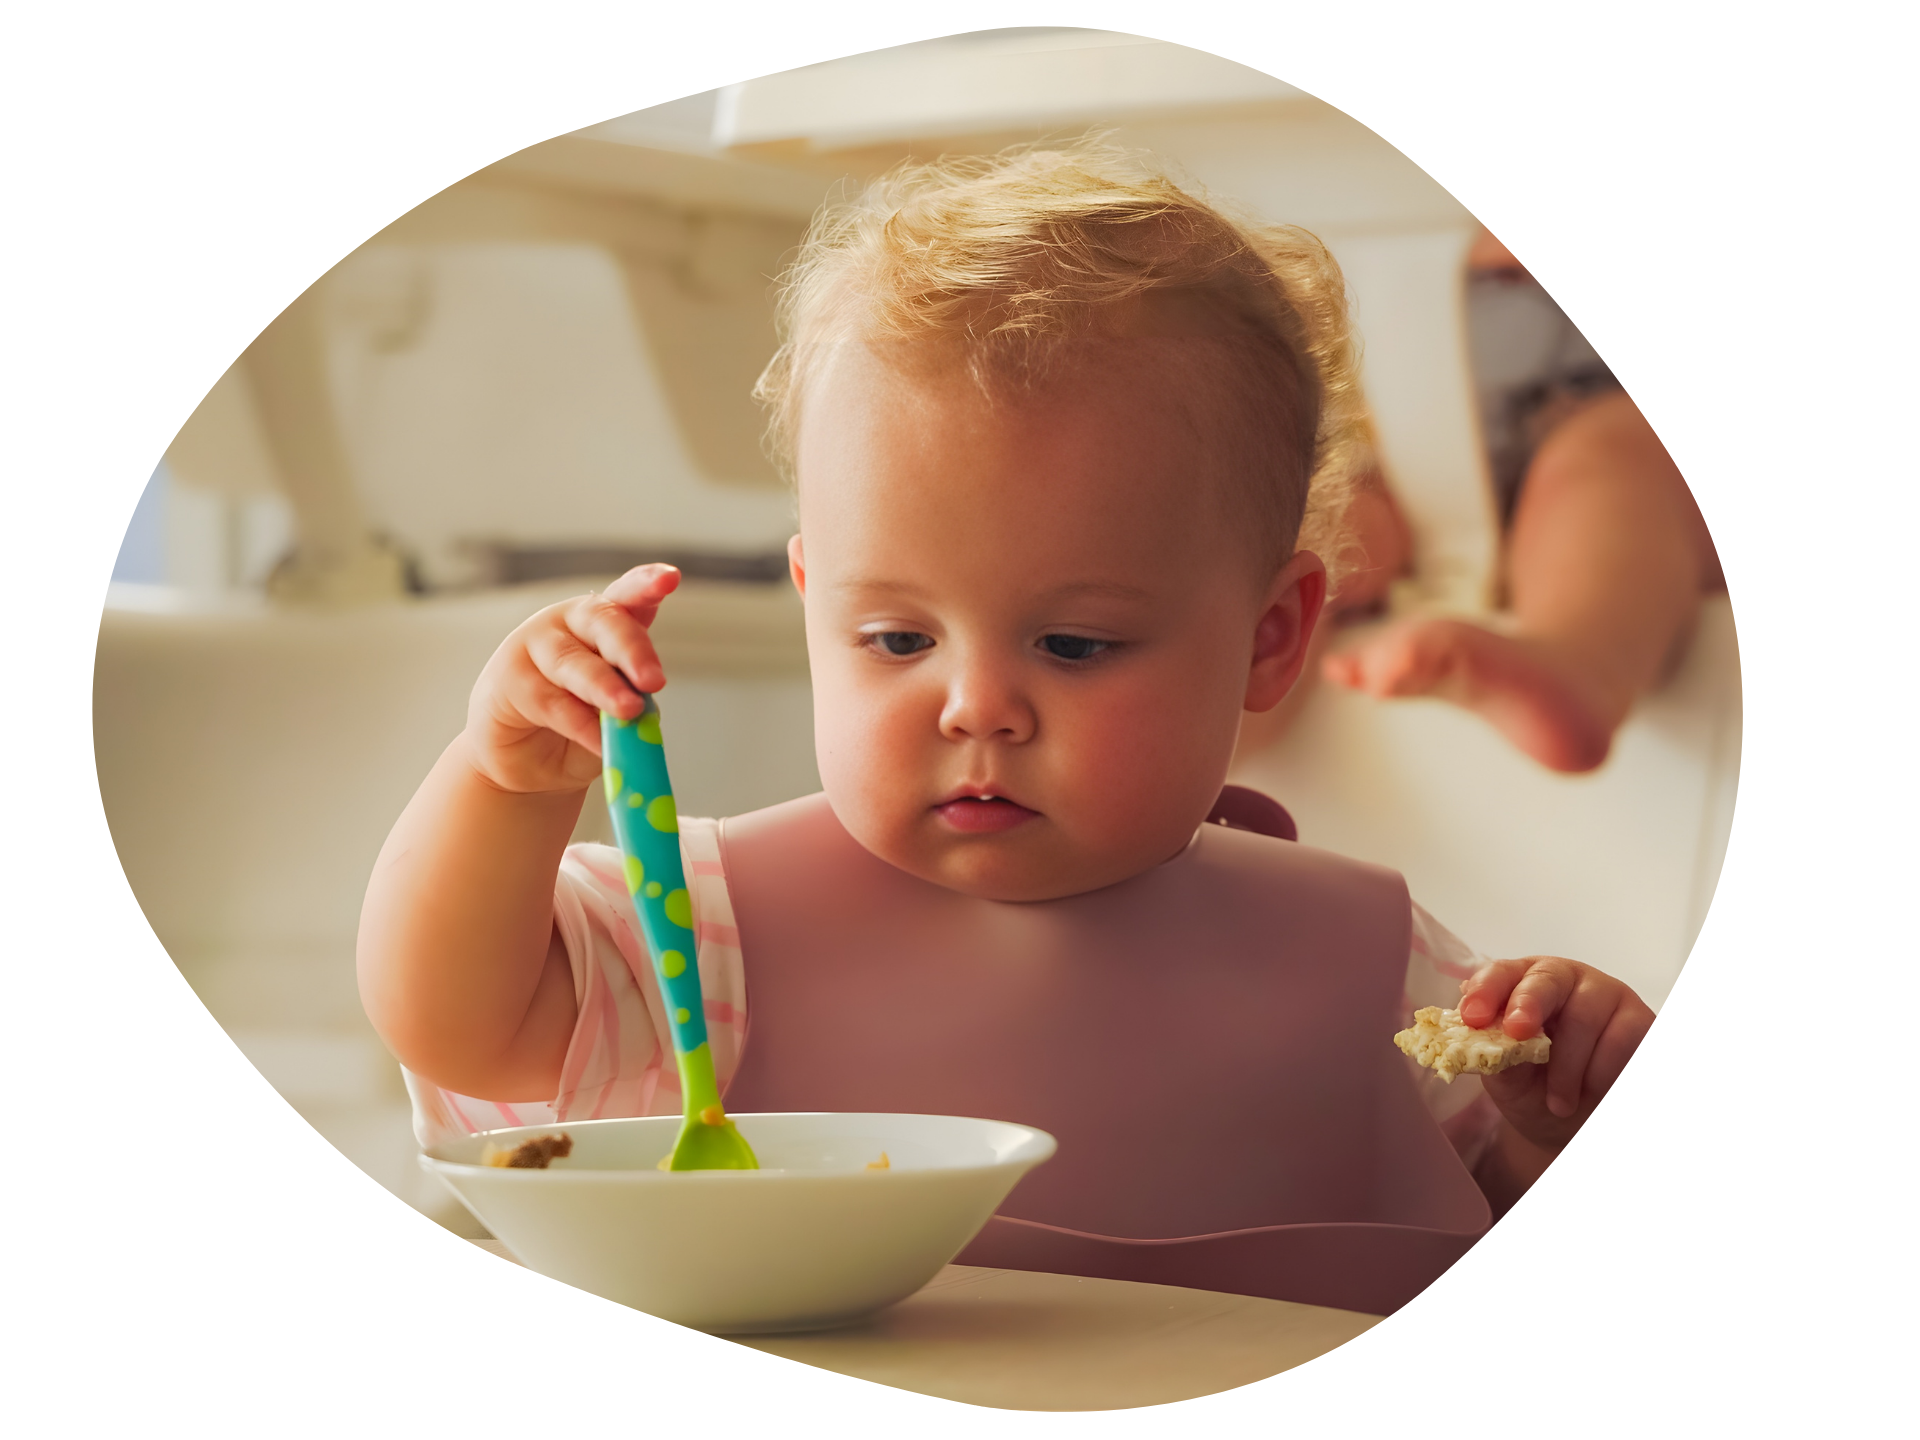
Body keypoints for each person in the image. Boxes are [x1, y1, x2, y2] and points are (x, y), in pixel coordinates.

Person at [357, 141, 1654, 1312]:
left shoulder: (1382, 967)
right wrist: (507, 780)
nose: (974, 705)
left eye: (1075, 643)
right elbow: (457, 1018)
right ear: (816, 608)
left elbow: (1467, 1210)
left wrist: (1544, 1120)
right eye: (897, 640)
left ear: (1271, 637)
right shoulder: (708, 933)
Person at [1313, 229, 1726, 774]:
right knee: (1602, 481)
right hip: (1593, 442)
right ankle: (1577, 667)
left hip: (1493, 303)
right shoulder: (1450, 556)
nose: (1322, 593)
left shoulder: (1293, 340)